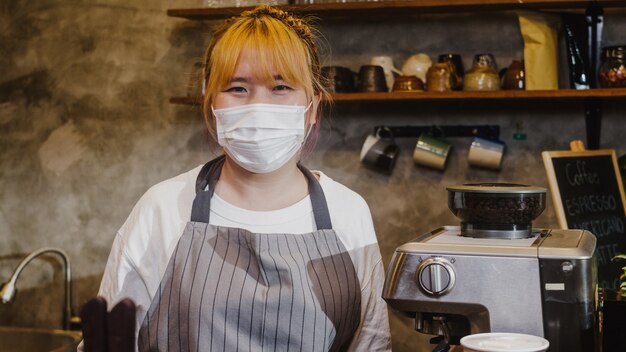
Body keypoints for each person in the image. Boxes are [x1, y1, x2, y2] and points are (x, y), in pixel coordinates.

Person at [89, 5, 391, 351]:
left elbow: (371, 343)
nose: (259, 106)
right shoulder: (161, 209)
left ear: (312, 107)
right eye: (237, 88)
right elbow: (110, 341)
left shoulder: (348, 212)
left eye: (280, 87)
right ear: (211, 103)